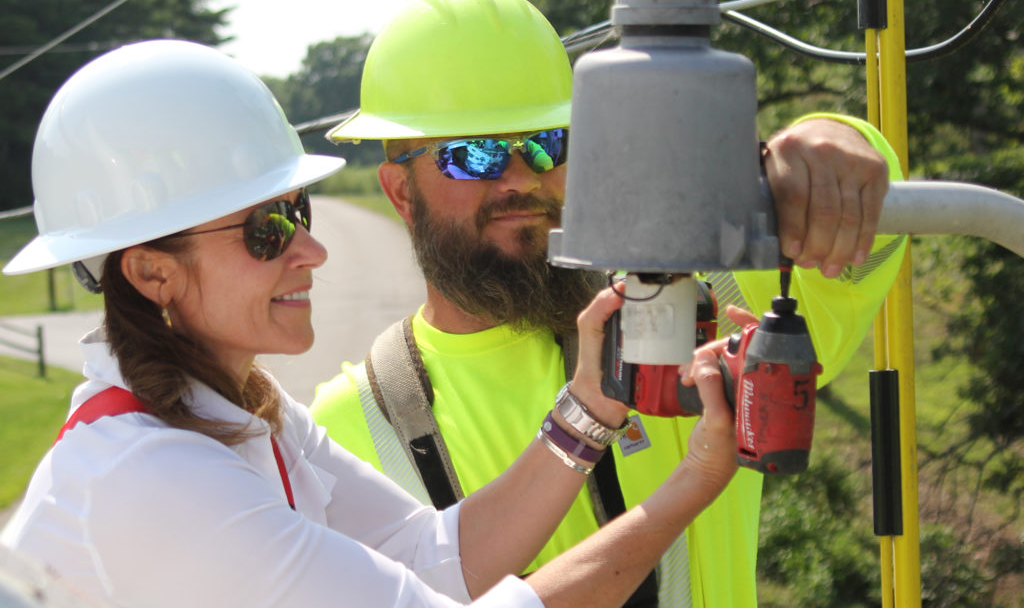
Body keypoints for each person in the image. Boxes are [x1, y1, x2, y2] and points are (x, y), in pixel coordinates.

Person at [0, 38, 740, 608]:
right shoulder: (152, 474)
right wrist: (696, 480)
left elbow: (432, 553)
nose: (311, 250)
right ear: (152, 273)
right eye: (265, 230)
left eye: (299, 212)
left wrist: (591, 405)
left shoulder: (242, 412)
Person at [309, 0, 908, 607]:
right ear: (401, 192)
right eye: (473, 155)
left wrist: (836, 149)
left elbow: (869, 238)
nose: (519, 179)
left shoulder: (684, 303)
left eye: (546, 144)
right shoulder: (351, 429)